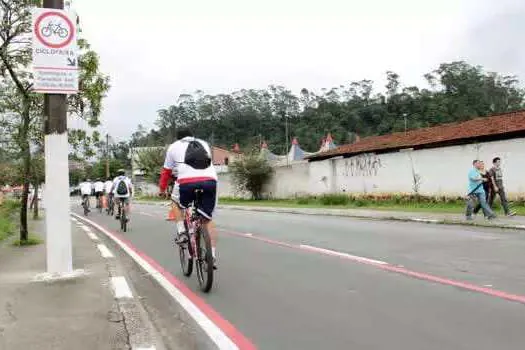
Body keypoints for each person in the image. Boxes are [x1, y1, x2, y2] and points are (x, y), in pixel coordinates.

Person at [158, 128, 218, 268]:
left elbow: (166, 172)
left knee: (176, 202)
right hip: (210, 181)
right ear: (192, 136)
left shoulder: (173, 147)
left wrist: (162, 189)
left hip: (186, 182)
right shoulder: (203, 143)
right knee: (207, 219)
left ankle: (182, 232)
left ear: (178, 138)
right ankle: (212, 256)